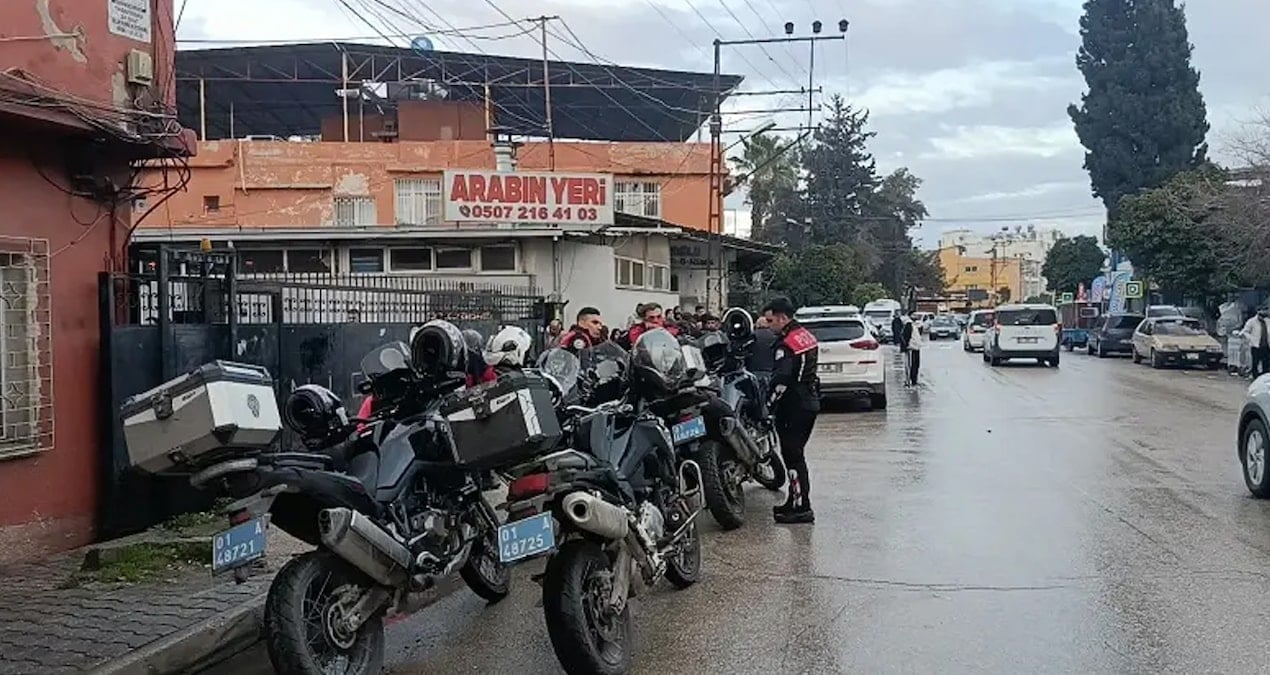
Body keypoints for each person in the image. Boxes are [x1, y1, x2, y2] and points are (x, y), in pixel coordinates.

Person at [760, 297, 820, 524]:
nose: (769, 326)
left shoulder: (787, 344)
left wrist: (768, 406)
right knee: (796, 455)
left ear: (783, 318)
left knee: (793, 456)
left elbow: (782, 380)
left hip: (794, 405)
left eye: (771, 321)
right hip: (808, 400)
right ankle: (795, 499)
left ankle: (802, 507)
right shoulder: (804, 335)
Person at [1243, 306, 1270, 378]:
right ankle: (1255, 377)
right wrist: (1251, 339)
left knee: (1266, 363)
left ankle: (1265, 378)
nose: (1263, 317)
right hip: (1256, 345)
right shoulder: (1251, 321)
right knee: (1255, 363)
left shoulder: (1268, 321)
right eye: (1261, 314)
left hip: (1266, 345)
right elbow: (1245, 332)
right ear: (1258, 312)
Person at [901, 311, 924, 386]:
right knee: (911, 365)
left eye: (916, 315)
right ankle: (909, 380)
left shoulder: (915, 325)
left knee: (916, 365)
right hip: (911, 348)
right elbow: (905, 336)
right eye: (914, 315)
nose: (915, 316)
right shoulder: (908, 324)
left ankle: (914, 380)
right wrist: (906, 346)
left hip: (916, 347)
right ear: (910, 316)